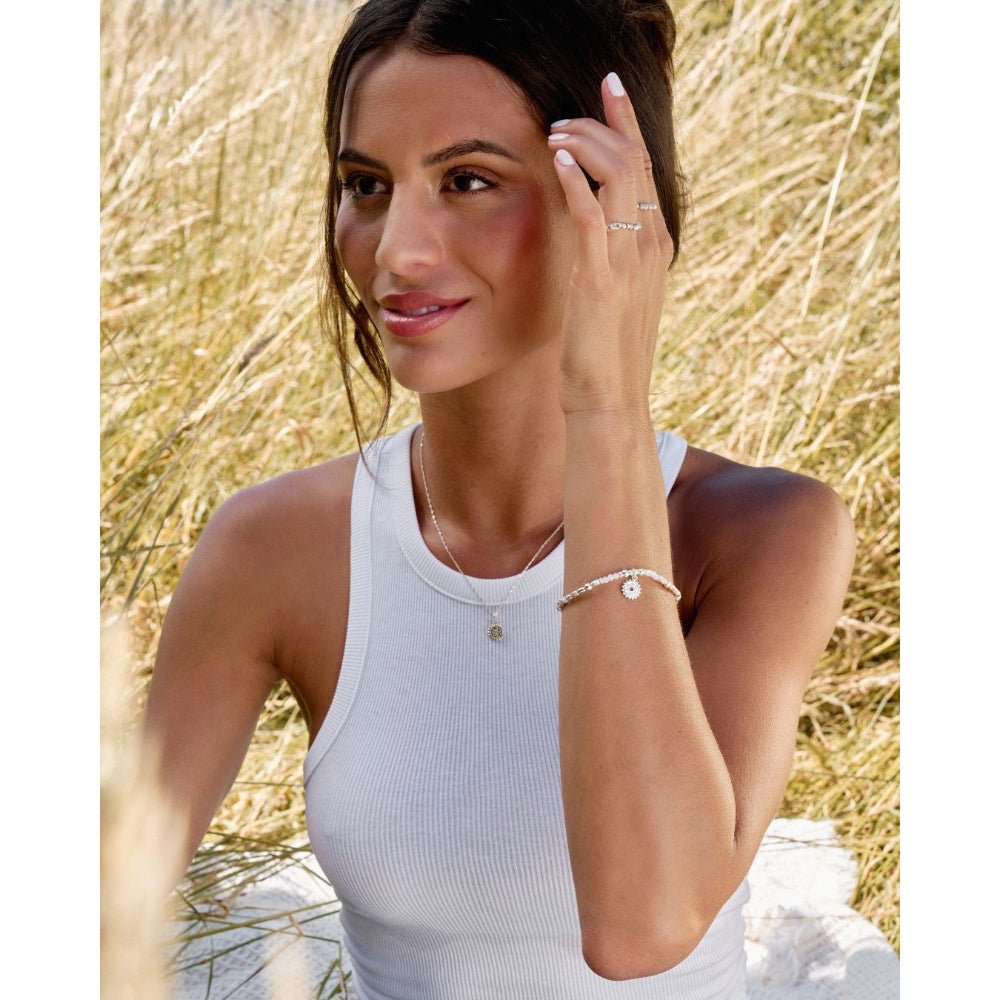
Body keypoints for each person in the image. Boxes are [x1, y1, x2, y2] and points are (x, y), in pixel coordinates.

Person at [144, 1, 856, 996]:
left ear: (611, 201)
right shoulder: (274, 548)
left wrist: (608, 406)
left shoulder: (761, 532)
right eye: (366, 185)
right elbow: (92, 909)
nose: (396, 251)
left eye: (468, 181)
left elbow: (642, 926)